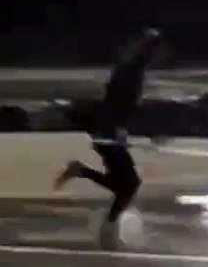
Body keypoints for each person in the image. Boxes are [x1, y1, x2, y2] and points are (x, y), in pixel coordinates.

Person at [53, 28, 163, 238]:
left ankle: (82, 173)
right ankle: (108, 226)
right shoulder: (130, 73)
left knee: (125, 184)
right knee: (129, 184)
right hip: (108, 133)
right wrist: (126, 130)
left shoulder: (129, 72)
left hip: (108, 132)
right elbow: (123, 105)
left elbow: (123, 106)